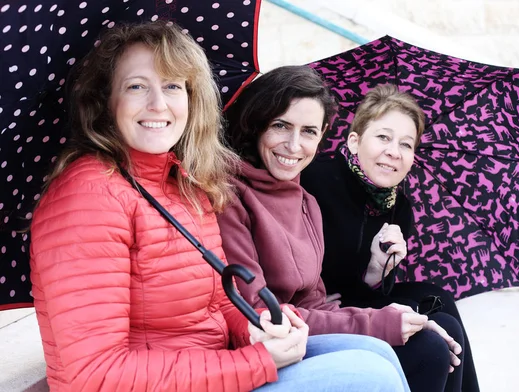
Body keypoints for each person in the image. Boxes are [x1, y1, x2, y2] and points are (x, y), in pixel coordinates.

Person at [29, 23, 408, 392]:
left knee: (374, 352)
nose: (158, 104)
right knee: (371, 376)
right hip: (179, 378)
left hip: (210, 363)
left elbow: (218, 303)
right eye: (137, 86)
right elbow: (94, 374)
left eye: (173, 85)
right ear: (105, 101)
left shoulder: (182, 184)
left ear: (192, 100)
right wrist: (253, 362)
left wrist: (259, 325)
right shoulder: (88, 194)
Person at [218, 65, 462, 392]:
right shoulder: (234, 196)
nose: (293, 145)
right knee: (428, 349)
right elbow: (260, 311)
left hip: (310, 324)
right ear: (256, 124)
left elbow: (317, 299)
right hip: (266, 342)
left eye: (308, 131)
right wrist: (377, 322)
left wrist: (377, 272)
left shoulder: (306, 201)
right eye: (280, 125)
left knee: (438, 325)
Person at [301, 84, 480, 392]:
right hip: (316, 307)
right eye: (383, 137)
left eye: (406, 144)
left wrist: (376, 268)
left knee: (441, 300)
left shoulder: (399, 208)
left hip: (352, 300)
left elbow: (366, 292)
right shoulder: (315, 180)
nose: (394, 152)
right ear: (355, 142)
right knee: (437, 334)